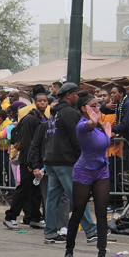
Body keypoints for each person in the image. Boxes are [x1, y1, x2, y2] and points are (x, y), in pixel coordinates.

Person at [38, 83, 98, 244]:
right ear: (69, 95)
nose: (78, 97)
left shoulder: (54, 113)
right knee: (77, 196)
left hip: (51, 159)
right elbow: (77, 137)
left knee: (52, 198)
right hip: (65, 160)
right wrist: (83, 157)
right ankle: (91, 231)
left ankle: (50, 232)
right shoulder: (70, 113)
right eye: (76, 94)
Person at [63, 93, 111, 257]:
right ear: (85, 108)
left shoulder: (98, 126)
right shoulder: (82, 125)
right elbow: (88, 127)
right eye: (94, 105)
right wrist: (93, 121)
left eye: (98, 104)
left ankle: (102, 255)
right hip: (84, 172)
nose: (98, 107)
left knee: (102, 213)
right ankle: (69, 251)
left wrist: (107, 136)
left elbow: (100, 143)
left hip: (102, 170)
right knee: (78, 211)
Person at [4, 92, 48, 229]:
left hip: (39, 160)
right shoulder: (30, 119)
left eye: (45, 101)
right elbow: (29, 142)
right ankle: (10, 216)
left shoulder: (45, 119)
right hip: (29, 160)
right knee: (23, 189)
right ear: (35, 102)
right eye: (40, 101)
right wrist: (31, 163)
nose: (42, 103)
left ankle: (34, 217)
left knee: (36, 191)